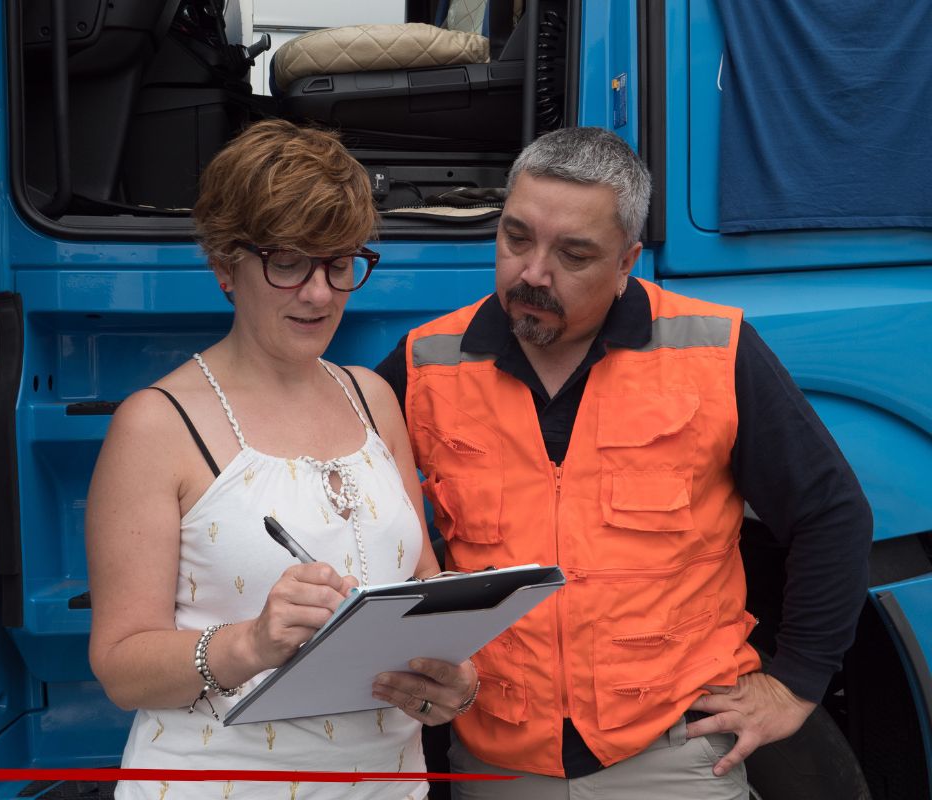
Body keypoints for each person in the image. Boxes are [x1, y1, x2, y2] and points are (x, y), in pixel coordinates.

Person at [371, 126, 873, 798]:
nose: (533, 273)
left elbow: (832, 513)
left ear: (626, 261)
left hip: (673, 756)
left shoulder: (711, 353)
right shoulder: (427, 363)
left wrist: (797, 683)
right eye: (516, 238)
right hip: (493, 757)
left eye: (573, 254)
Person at [85, 119, 477, 800]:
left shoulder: (373, 397)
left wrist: (447, 684)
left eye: (339, 262)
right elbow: (121, 667)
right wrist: (252, 644)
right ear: (223, 264)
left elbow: (421, 582)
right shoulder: (155, 424)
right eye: (288, 262)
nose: (320, 293)